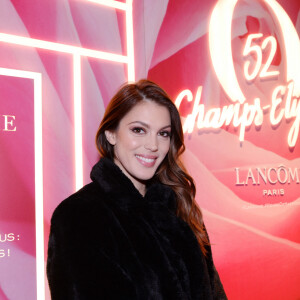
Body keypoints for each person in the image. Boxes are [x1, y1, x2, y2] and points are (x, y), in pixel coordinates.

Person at [47, 79, 227, 300]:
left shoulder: (179, 206)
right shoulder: (78, 216)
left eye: (163, 133)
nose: (153, 145)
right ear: (111, 133)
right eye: (139, 130)